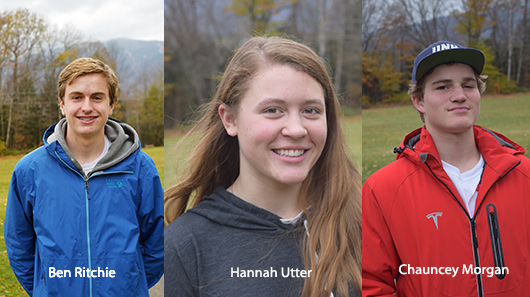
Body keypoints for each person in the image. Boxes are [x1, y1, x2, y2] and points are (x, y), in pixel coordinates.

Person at [164, 36, 361, 297]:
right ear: (230, 119)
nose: (296, 129)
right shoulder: (185, 245)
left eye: (311, 110)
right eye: (273, 110)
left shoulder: (363, 218)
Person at [362, 41, 530, 296]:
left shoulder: (524, 174)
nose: (459, 95)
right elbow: (370, 283)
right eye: (443, 87)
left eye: (468, 85)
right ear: (418, 101)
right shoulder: (383, 189)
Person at [4, 57, 164, 296]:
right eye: (77, 97)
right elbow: (19, 244)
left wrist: (128, 284)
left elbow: (157, 242)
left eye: (97, 97)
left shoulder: (141, 168)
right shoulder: (30, 170)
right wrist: (45, 287)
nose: (87, 107)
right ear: (62, 104)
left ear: (111, 105)